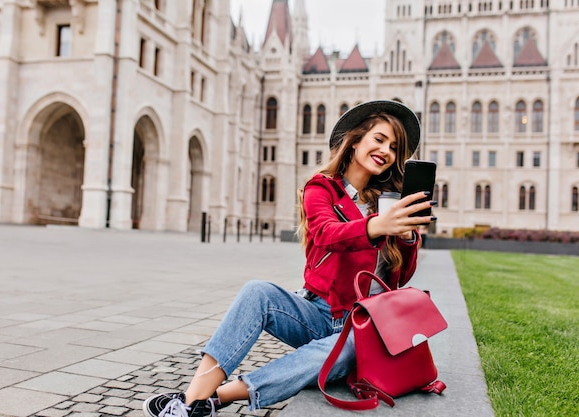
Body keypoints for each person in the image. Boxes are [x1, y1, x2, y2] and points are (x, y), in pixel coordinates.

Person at [142, 100, 437, 417]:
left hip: (363, 323)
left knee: (347, 348)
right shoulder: (321, 188)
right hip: (319, 310)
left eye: (394, 147)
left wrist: (407, 237)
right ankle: (189, 402)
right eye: (379, 139)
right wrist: (375, 226)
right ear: (355, 141)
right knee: (257, 292)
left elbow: (397, 280)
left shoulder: (389, 201)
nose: (386, 151)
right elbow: (325, 234)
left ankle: (215, 399)